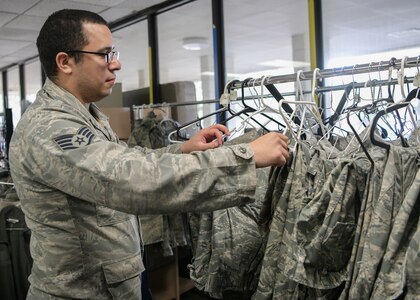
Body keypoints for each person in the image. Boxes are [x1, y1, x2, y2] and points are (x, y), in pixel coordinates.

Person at [9, 9, 289, 299]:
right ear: (65, 61)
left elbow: (122, 157)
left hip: (112, 286)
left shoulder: (84, 114)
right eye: (104, 54)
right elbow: (131, 180)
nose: (115, 64)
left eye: (113, 53)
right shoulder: (50, 128)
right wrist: (244, 157)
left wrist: (181, 149)